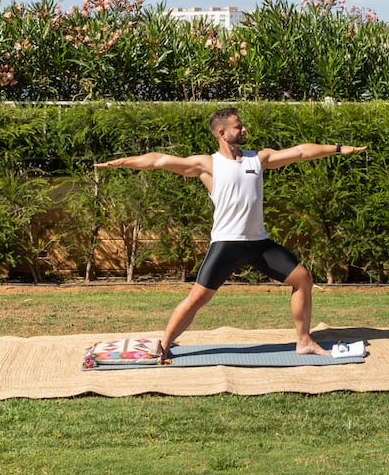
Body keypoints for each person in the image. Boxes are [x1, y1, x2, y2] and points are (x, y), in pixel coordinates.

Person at [95, 106, 364, 358]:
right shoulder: (208, 165)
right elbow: (159, 160)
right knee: (197, 299)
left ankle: (304, 340)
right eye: (238, 126)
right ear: (223, 133)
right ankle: (163, 347)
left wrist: (338, 148)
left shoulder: (258, 158)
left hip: (259, 243)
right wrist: (123, 162)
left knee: (303, 279)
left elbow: (301, 151)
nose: (244, 129)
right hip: (227, 244)